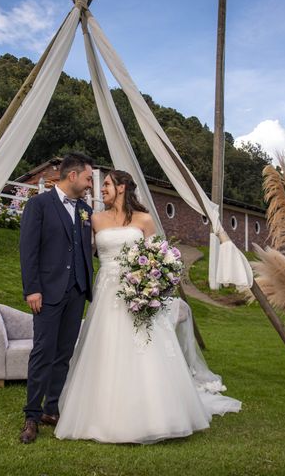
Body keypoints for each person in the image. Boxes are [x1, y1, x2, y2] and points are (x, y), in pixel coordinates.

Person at [54, 170, 241, 444]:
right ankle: (104, 417)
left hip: (139, 293)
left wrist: (151, 283)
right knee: (106, 349)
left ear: (122, 187)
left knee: (144, 348)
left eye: (106, 184)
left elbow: (158, 258)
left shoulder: (144, 220)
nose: (101, 188)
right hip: (108, 293)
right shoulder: (94, 219)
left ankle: (155, 416)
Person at [18, 152, 94, 444]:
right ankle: (31, 415)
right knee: (43, 353)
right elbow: (29, 250)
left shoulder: (85, 210)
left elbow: (85, 248)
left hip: (77, 291)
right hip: (47, 292)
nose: (90, 184)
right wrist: (32, 288)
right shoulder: (39, 205)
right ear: (72, 176)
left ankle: (52, 409)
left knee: (64, 353)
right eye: (88, 178)